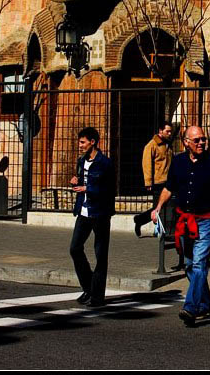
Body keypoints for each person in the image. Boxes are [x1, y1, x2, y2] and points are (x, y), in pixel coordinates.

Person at [151, 125, 210, 325]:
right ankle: (205, 305)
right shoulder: (179, 162)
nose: (201, 143)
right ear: (186, 142)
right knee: (190, 266)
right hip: (185, 220)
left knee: (199, 264)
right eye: (197, 140)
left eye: (203, 139)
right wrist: (157, 208)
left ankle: (190, 308)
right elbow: (169, 187)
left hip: (206, 220)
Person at [69, 127, 115, 308]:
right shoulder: (82, 161)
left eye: (83, 142)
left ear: (93, 142)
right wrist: (76, 182)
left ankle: (97, 297)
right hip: (84, 212)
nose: (79, 146)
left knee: (100, 255)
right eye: (79, 142)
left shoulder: (105, 163)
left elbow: (110, 190)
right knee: (74, 248)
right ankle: (88, 287)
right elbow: (82, 182)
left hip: (100, 213)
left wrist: (88, 189)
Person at [133, 120, 173, 237]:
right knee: (158, 208)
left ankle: (142, 220)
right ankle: (142, 221)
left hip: (168, 181)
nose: (170, 133)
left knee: (165, 205)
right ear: (160, 131)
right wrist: (148, 182)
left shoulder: (167, 145)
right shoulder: (151, 145)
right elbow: (146, 164)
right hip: (157, 181)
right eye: (168, 131)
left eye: (171, 131)